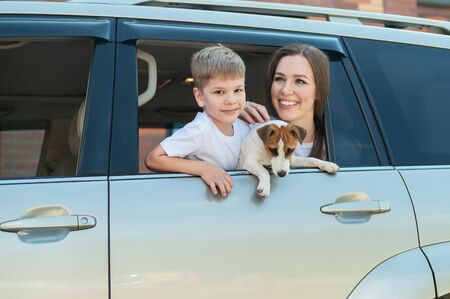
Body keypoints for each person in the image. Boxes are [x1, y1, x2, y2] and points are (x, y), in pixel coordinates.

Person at [145, 44, 249, 197]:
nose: (231, 100)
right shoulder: (200, 129)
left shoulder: (244, 126)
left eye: (238, 90)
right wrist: (204, 168)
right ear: (200, 97)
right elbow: (154, 159)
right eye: (219, 92)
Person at [240, 43, 329, 159]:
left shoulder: (341, 146)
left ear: (318, 90)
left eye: (300, 81)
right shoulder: (250, 131)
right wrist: (230, 113)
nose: (285, 90)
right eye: (279, 79)